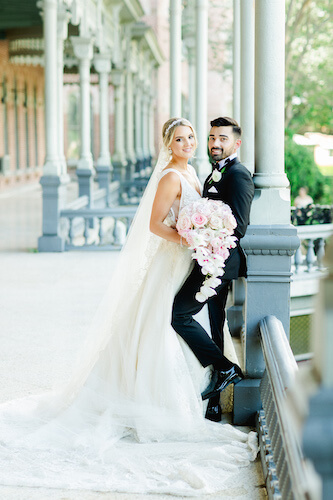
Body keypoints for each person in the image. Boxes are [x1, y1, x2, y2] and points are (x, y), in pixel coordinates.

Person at [0, 118, 256, 496]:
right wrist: (192, 235)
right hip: (176, 258)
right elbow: (156, 225)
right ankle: (189, 387)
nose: (188, 143)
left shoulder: (196, 172)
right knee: (162, 319)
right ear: (168, 144)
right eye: (180, 139)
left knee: (181, 319)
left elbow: (226, 217)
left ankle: (211, 384)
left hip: (193, 258)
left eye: (191, 138)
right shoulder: (171, 176)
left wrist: (203, 236)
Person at [172, 117, 255, 423]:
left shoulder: (239, 175)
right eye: (211, 138)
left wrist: (204, 227)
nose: (215, 143)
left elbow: (239, 226)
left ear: (236, 143)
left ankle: (224, 368)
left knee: (179, 314)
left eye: (222, 138)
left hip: (219, 263)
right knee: (213, 324)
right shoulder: (215, 173)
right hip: (206, 258)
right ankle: (215, 404)